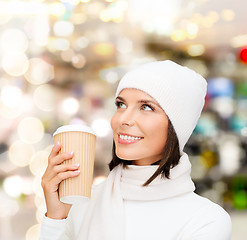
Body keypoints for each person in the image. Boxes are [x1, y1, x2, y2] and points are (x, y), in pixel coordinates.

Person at [39, 60, 232, 240]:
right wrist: (56, 219)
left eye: (147, 107)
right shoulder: (81, 203)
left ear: (177, 127)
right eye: (121, 104)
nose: (123, 119)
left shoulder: (206, 220)